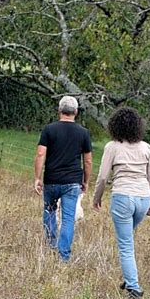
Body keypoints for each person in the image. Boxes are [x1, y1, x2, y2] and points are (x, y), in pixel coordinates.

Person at [93, 107, 150, 299]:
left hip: (123, 196)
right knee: (127, 239)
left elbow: (103, 177)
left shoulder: (112, 147)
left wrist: (97, 198)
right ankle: (129, 279)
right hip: (143, 198)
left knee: (126, 245)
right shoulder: (146, 147)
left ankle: (134, 288)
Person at [34, 96, 92, 262]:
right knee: (68, 219)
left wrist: (37, 178)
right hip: (72, 183)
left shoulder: (49, 130)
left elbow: (40, 153)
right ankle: (63, 256)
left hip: (52, 180)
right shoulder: (83, 133)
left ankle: (51, 245)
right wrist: (86, 181)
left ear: (59, 111)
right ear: (76, 112)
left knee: (50, 212)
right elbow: (87, 160)